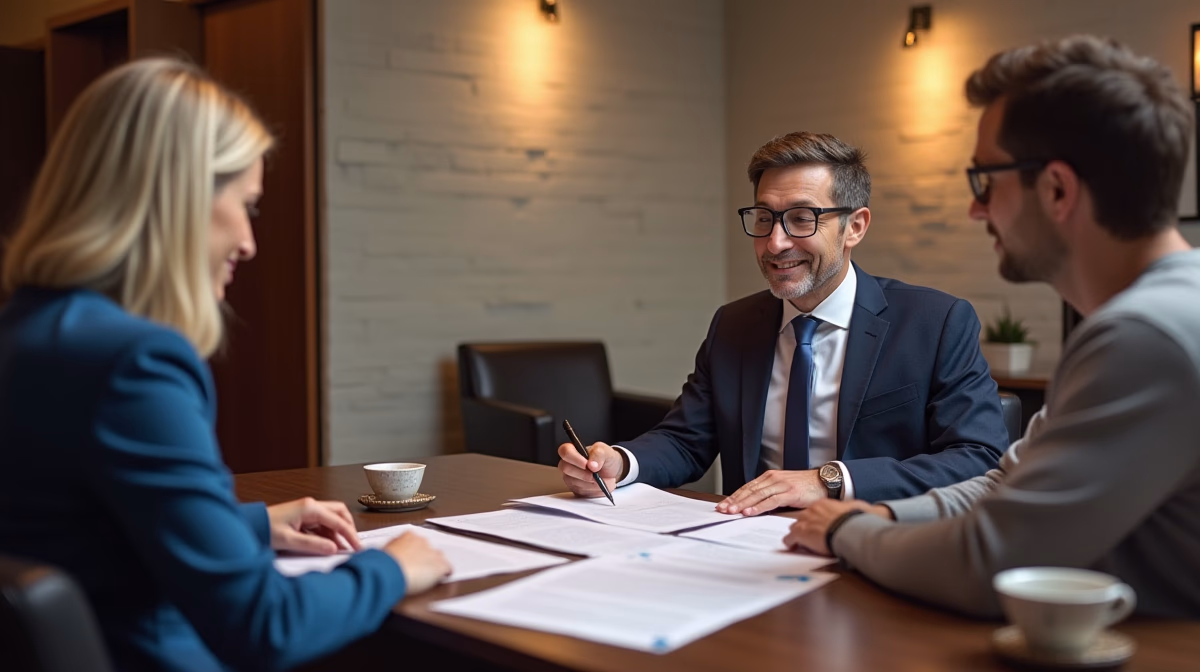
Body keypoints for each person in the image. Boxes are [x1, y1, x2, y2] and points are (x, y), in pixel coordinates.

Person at [0, 58, 451, 671]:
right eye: (247, 204)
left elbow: (82, 531)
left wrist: (253, 527)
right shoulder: (134, 364)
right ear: (176, 197)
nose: (248, 241)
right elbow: (266, 627)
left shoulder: (28, 333)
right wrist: (391, 568)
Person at [785, 35, 1200, 618]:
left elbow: (992, 565)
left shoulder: (1145, 337)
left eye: (986, 181)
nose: (976, 210)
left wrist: (845, 531)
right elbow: (1008, 484)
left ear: (1057, 189)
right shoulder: (1166, 310)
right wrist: (887, 515)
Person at [559, 132, 1010, 513]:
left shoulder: (935, 323)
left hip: (872, 546)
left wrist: (829, 480)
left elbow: (978, 458)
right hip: (744, 546)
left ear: (854, 227)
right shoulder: (734, 325)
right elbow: (687, 440)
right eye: (764, 218)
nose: (775, 243)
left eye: (801, 219)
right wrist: (619, 462)